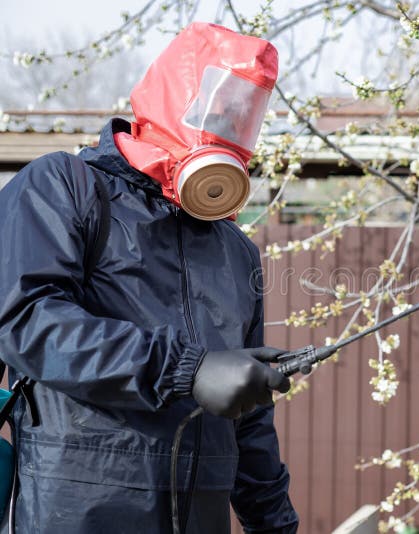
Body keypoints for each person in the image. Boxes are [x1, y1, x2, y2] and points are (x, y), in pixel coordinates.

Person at [0, 22, 298, 533]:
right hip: (77, 510)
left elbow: (249, 421)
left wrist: (275, 524)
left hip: (200, 515)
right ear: (173, 93)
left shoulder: (236, 252)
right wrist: (187, 369)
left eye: (245, 111)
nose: (228, 122)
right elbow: (27, 320)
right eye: (217, 103)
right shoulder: (65, 188)